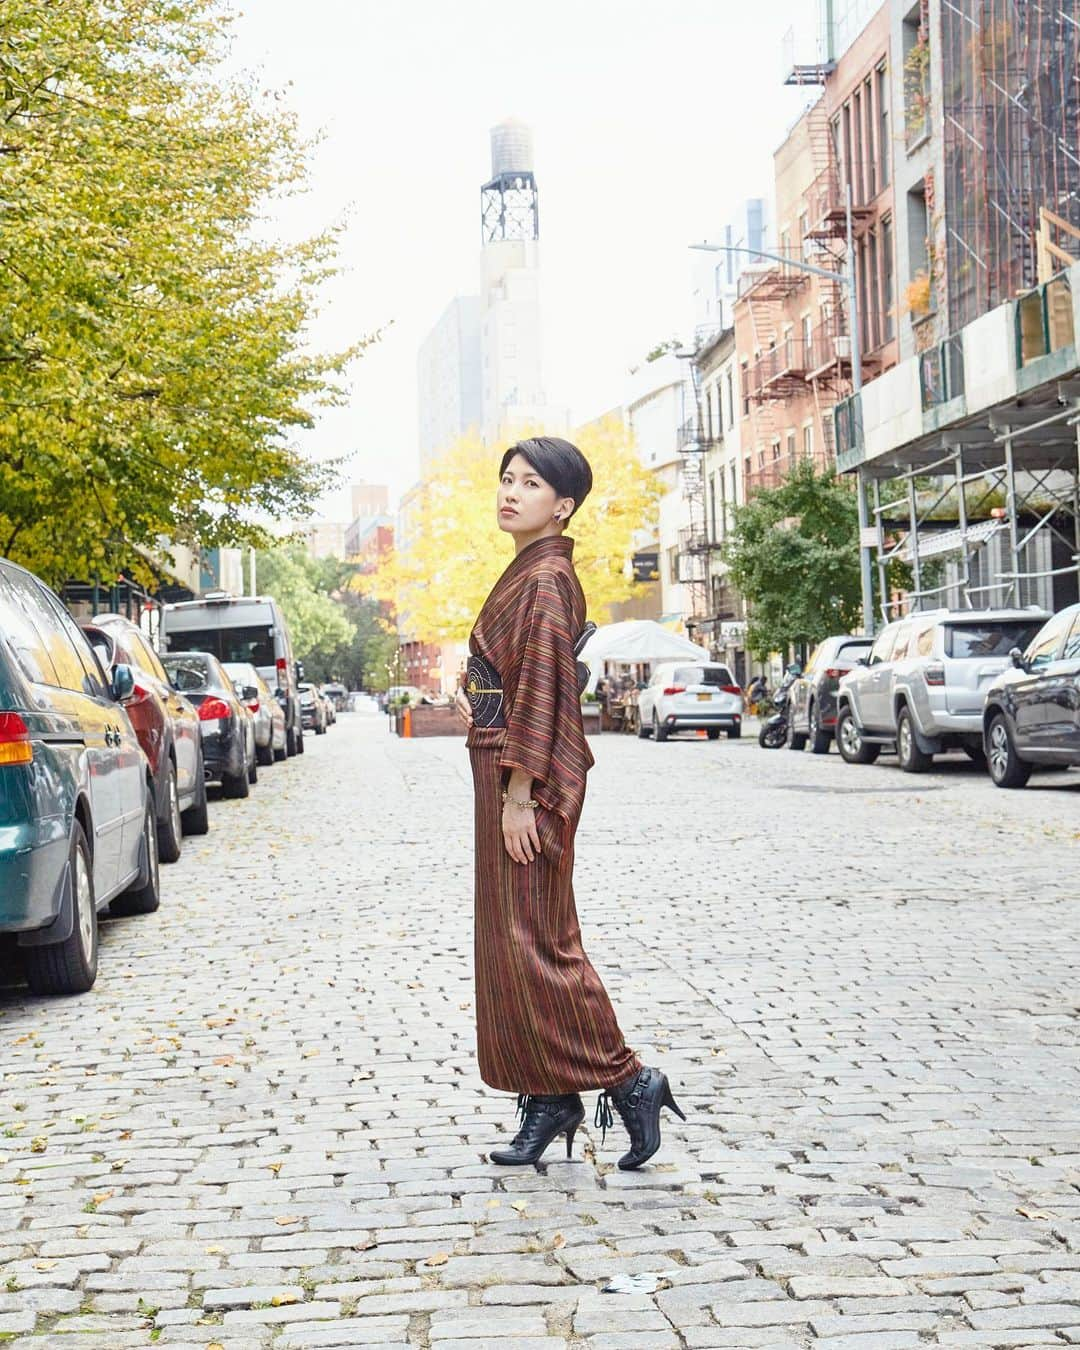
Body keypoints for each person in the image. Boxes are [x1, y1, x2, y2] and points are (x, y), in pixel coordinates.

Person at [454, 436, 685, 1170]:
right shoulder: (528, 572)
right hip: (501, 765)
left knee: (536, 941)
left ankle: (628, 1078)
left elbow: (544, 689)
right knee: (511, 942)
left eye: (529, 483)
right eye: (506, 479)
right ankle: (550, 1097)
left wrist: (520, 793)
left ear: (563, 506)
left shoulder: (548, 579)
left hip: (526, 776)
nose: (509, 492)